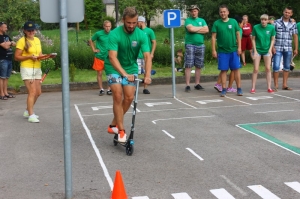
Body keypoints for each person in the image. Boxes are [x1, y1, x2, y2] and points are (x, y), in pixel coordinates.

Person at [105, 7, 151, 142]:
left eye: (134, 23)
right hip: (113, 67)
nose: (131, 26)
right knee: (118, 95)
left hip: (131, 67)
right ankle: (121, 130)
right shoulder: (114, 34)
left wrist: (147, 75)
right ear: (123, 20)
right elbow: (112, 57)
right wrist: (124, 74)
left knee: (129, 97)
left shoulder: (141, 35)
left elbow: (148, 57)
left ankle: (113, 124)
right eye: (129, 22)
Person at [14, 21, 55, 123]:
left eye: (33, 30)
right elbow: (16, 57)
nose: (31, 32)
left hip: (37, 67)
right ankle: (31, 115)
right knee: (32, 92)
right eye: (29, 30)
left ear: (35, 30)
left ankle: (28, 110)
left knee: (38, 92)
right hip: (27, 68)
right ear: (25, 31)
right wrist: (29, 56)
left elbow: (39, 55)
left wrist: (48, 56)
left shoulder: (37, 40)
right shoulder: (22, 41)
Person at [211, 4, 243, 97]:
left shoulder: (233, 22)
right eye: (221, 12)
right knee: (224, 70)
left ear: (228, 12)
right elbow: (213, 37)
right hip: (222, 51)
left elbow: (238, 34)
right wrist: (213, 50)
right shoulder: (216, 23)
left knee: (236, 69)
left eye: (224, 11)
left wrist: (239, 48)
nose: (223, 13)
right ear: (219, 13)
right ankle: (224, 89)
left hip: (233, 50)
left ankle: (239, 89)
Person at [184, 5, 209, 92]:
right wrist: (200, 28)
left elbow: (206, 30)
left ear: (198, 11)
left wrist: (196, 29)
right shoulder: (188, 20)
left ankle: (197, 84)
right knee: (188, 65)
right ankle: (187, 85)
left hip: (200, 45)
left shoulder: (202, 20)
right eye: (192, 11)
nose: (193, 12)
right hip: (190, 44)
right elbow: (190, 29)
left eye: (195, 11)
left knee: (199, 65)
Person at [272, 7, 298, 91]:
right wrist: (272, 47)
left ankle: (285, 85)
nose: (287, 14)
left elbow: (295, 36)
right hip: (277, 47)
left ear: (291, 14)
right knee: (276, 66)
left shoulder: (293, 24)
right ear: (283, 12)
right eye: (286, 12)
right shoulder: (276, 22)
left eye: (289, 13)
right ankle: (276, 85)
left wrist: (296, 48)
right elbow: (272, 36)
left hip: (288, 48)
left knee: (287, 67)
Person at [250, 14, 276, 94]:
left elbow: (272, 39)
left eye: (265, 20)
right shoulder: (256, 27)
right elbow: (253, 39)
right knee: (256, 69)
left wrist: (270, 50)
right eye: (262, 20)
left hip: (266, 50)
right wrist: (255, 51)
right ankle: (253, 87)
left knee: (268, 69)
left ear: (268, 21)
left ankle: (269, 87)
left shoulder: (271, 28)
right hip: (258, 49)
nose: (263, 21)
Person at [89, 20, 112, 96]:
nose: (107, 28)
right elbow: (91, 40)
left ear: (111, 27)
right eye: (106, 26)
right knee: (99, 73)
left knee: (110, 73)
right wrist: (93, 49)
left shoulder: (113, 34)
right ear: (104, 26)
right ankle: (101, 89)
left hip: (109, 57)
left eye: (109, 26)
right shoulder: (98, 34)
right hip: (99, 56)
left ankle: (109, 89)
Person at [137, 16, 156, 94]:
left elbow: (154, 42)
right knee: (136, 72)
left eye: (137, 22)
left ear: (141, 22)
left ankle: (145, 88)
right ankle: (135, 89)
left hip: (146, 55)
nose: (137, 24)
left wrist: (152, 53)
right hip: (137, 55)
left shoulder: (149, 31)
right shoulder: (137, 31)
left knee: (146, 71)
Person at [0, 22, 16, 100]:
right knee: (2, 77)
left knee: (6, 77)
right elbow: (6, 46)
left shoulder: (6, 36)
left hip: (9, 59)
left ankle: (6, 92)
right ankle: (1, 93)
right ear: (0, 28)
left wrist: (9, 43)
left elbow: (14, 43)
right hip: (2, 59)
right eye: (5, 27)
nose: (6, 29)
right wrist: (10, 43)